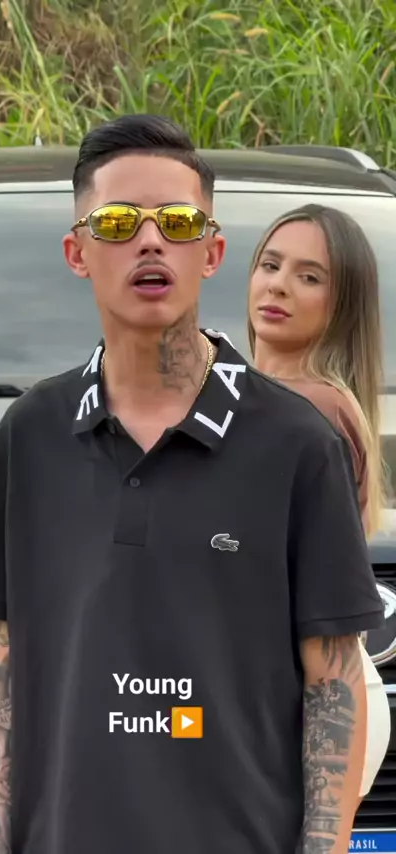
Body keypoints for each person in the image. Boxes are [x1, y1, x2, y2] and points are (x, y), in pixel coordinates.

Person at [0, 114, 384, 854]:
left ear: (211, 251)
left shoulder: (297, 444)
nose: (150, 241)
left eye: (178, 222)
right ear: (78, 252)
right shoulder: (30, 434)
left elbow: (333, 676)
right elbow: (5, 657)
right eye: (118, 222)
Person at [247, 202, 391, 800]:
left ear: (342, 304)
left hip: (299, 701)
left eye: (309, 276)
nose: (279, 284)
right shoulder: (261, 399)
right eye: (270, 264)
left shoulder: (310, 408)